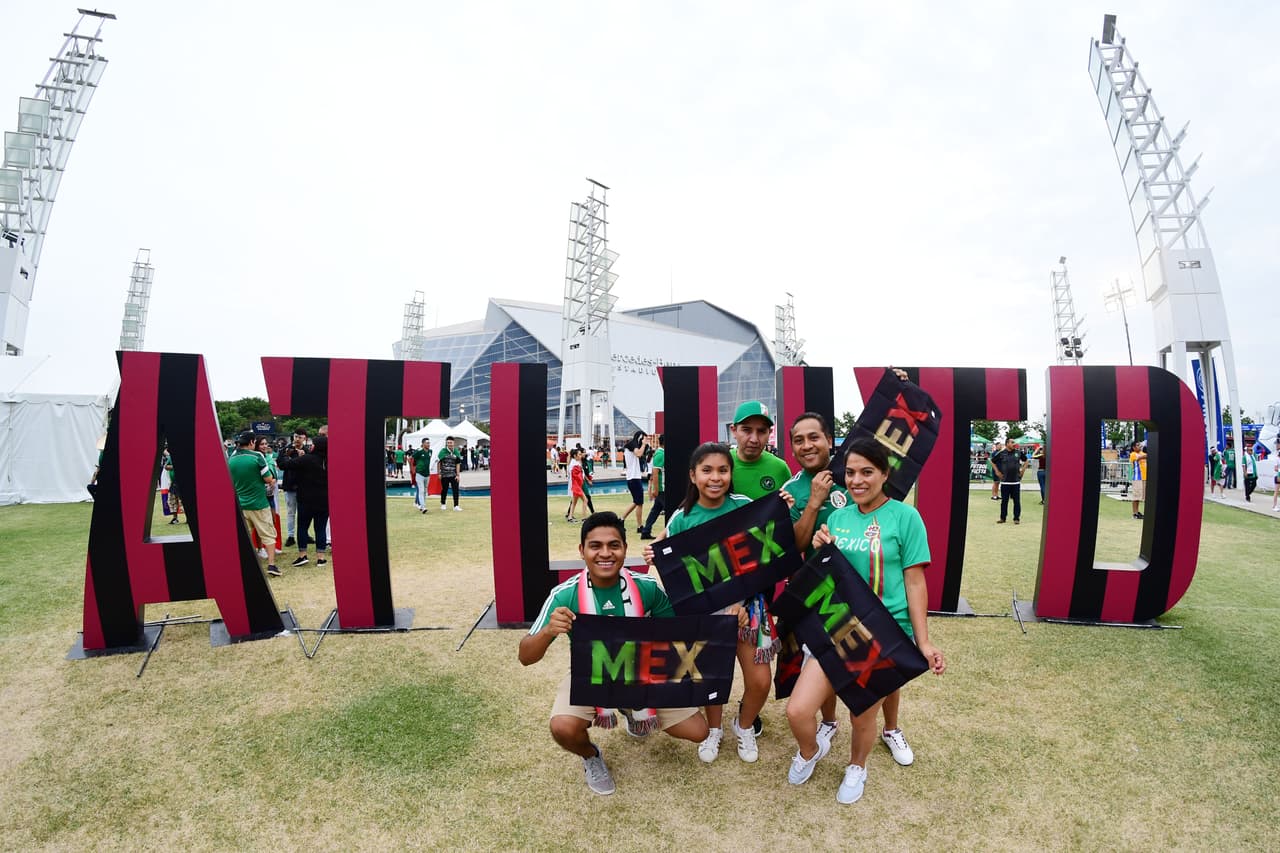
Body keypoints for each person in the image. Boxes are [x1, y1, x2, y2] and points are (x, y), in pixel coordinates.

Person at [791, 436, 946, 804]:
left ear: (884, 474)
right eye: (851, 473)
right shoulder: (839, 517)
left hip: (882, 632)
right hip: (838, 627)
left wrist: (922, 641)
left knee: (862, 715)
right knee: (797, 711)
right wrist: (819, 548)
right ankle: (811, 751)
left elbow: (914, 580)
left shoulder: (906, 517)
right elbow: (827, 571)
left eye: (867, 472)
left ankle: (857, 766)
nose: (857, 480)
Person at [518, 512, 714, 796]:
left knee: (699, 731)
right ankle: (590, 756)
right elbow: (525, 656)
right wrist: (549, 630)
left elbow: (679, 634)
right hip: (593, 673)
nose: (605, 553)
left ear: (624, 549)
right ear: (582, 551)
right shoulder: (564, 594)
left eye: (614, 545)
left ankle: (631, 709)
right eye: (595, 546)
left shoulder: (647, 588)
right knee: (563, 727)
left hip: (644, 670)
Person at [644, 442, 790, 764]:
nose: (715, 477)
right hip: (706, 614)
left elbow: (762, 558)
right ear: (693, 475)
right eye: (707, 470)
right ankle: (714, 729)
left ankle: (744, 725)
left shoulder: (745, 506)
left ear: (731, 473)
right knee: (712, 676)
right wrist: (653, 553)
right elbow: (666, 556)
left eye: (723, 470)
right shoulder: (682, 517)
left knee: (760, 680)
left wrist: (782, 508)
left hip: (747, 609)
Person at [781, 412, 850, 751]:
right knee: (821, 657)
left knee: (868, 658)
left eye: (814, 437)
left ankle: (889, 728)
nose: (807, 445)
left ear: (829, 440)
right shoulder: (791, 490)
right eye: (799, 440)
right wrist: (814, 501)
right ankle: (829, 721)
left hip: (856, 589)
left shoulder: (852, 476)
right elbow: (794, 547)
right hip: (812, 593)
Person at [227, 432, 280, 576]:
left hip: (241, 504)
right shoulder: (257, 457)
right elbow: (268, 478)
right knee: (268, 535)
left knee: (244, 536)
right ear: (251, 442)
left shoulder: (231, 459)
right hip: (259, 503)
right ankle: (272, 565)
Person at [277, 435, 329, 567]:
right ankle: (321, 558)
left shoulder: (306, 459)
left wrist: (284, 453)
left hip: (306, 499)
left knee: (302, 527)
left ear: (315, 446)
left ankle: (303, 555)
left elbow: (283, 465)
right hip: (324, 500)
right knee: (320, 528)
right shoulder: (329, 460)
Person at [729, 402, 793, 500]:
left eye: (762, 431)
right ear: (734, 430)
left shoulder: (780, 468)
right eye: (746, 430)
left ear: (770, 433)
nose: (754, 439)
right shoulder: (721, 465)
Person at [278, 429, 307, 545]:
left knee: (304, 512)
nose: (297, 439)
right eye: (295, 436)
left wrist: (303, 457)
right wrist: (291, 457)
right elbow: (281, 465)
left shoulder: (308, 450)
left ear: (304, 438)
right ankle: (290, 536)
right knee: (291, 512)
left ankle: (304, 534)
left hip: (305, 486)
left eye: (300, 437)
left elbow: (312, 465)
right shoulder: (286, 449)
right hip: (290, 485)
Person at [991, 438, 1028, 524]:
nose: (1014, 444)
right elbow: (992, 462)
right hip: (1005, 482)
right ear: (1007, 444)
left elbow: (1026, 461)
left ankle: (1016, 518)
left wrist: (1022, 471)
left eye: (1014, 442)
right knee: (1004, 501)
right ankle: (1003, 518)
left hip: (1016, 482)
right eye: (1012, 442)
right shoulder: (1001, 453)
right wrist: (997, 472)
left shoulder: (1018, 453)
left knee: (1017, 501)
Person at [619, 431, 648, 532]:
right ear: (640, 437)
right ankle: (623, 520)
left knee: (638, 502)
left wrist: (644, 445)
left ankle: (638, 525)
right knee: (638, 502)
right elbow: (639, 454)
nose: (645, 441)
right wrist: (644, 444)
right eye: (644, 438)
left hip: (634, 477)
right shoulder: (632, 444)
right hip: (633, 478)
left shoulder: (632, 445)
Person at [639, 434, 666, 540]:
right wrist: (656, 489)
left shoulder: (660, 453)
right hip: (662, 488)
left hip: (661, 487)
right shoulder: (661, 454)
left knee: (655, 510)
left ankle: (646, 531)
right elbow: (655, 472)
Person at [438, 436, 463, 511]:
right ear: (446, 443)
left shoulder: (456, 452)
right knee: (444, 490)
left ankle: (456, 506)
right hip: (444, 474)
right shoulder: (443, 451)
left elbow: (458, 464)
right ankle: (443, 504)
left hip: (453, 475)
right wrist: (439, 473)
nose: (449, 444)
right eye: (448, 443)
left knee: (456, 490)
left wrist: (458, 475)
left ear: (453, 443)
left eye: (451, 442)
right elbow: (439, 462)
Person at [409, 438, 431, 514]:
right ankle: (423, 506)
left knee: (425, 491)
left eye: (429, 443)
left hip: (427, 474)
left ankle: (422, 506)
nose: (428, 444)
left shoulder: (430, 452)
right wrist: (412, 469)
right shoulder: (418, 452)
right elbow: (411, 458)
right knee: (421, 490)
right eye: (427, 443)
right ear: (423, 444)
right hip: (419, 474)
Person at [565, 448, 587, 522]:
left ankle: (570, 517)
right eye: (579, 454)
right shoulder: (574, 464)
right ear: (575, 456)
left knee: (574, 502)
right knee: (585, 500)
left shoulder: (575, 463)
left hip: (576, 485)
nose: (581, 456)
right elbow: (577, 476)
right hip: (576, 485)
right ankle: (584, 518)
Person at [1130, 440, 1148, 519]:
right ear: (1133, 447)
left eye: (1139, 445)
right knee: (1136, 497)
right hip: (1137, 478)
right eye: (1137, 445)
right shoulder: (1133, 454)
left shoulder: (1142, 453)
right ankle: (1134, 513)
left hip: (1144, 478)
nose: (1139, 446)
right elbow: (1142, 457)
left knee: (1142, 497)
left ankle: (1138, 512)